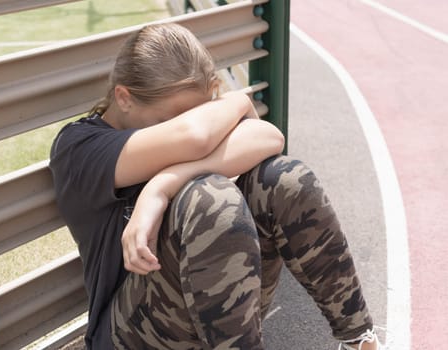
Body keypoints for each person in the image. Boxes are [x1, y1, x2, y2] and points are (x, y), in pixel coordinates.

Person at [49, 23, 382, 350]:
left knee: (283, 178)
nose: (195, 124)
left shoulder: (187, 125)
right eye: (169, 120)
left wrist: (163, 185)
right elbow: (195, 137)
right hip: (131, 333)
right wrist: (234, 104)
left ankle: (360, 339)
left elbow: (269, 137)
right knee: (210, 199)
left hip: (219, 309)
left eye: (204, 112)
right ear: (124, 97)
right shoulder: (79, 148)